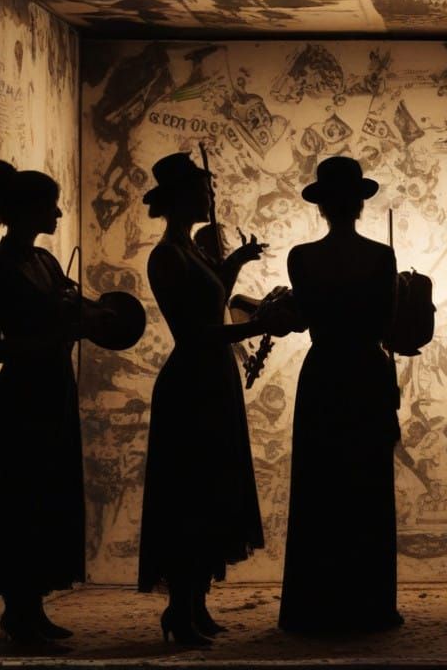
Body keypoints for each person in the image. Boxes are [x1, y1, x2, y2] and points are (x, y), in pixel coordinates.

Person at [137, 151, 279, 646]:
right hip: (191, 385)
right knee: (189, 497)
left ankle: (196, 604)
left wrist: (235, 263)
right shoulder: (167, 256)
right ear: (180, 197)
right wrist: (258, 325)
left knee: (213, 491)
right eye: (203, 189)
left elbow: (215, 296)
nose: (210, 197)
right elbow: (197, 331)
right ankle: (179, 610)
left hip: (213, 380)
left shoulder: (192, 253)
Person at [278, 156, 404, 633]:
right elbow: (386, 327)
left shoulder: (300, 257)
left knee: (320, 486)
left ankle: (315, 603)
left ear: (322, 208)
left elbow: (307, 317)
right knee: (366, 485)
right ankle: (369, 603)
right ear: (359, 206)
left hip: (324, 371)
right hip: (366, 371)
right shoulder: (381, 256)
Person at [0, 159, 91, 645]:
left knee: (50, 496)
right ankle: (18, 612)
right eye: (51, 204)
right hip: (22, 397)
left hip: (54, 389)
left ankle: (33, 609)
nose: (60, 213)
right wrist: (48, 341)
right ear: (27, 209)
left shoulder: (45, 262)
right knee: (22, 498)